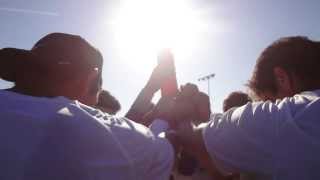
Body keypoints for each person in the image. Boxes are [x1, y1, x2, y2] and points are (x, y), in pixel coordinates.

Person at [0, 33, 174, 180]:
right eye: (96, 102)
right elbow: (155, 148)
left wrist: (150, 89)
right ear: (90, 78)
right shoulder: (80, 128)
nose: (95, 112)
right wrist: (165, 116)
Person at [170, 36, 320, 180]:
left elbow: (194, 139)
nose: (267, 107)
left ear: (282, 78)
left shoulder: (293, 118)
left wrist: (187, 113)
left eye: (267, 102)